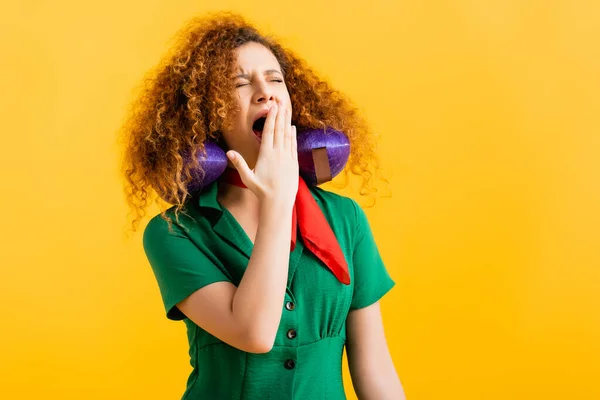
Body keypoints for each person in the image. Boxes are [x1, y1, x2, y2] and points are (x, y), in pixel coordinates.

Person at [120, 11, 406, 400]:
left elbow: (374, 368)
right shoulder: (174, 231)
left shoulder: (345, 218)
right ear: (207, 115)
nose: (265, 91)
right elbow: (254, 333)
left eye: (275, 79)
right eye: (240, 84)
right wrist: (277, 202)